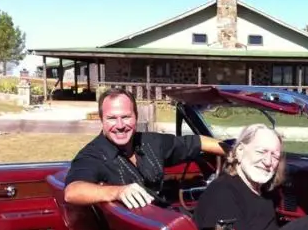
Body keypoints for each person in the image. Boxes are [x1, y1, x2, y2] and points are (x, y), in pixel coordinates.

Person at [64, 88, 227, 209]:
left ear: (136, 117)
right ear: (102, 120)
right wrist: (118, 192)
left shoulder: (151, 142)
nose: (120, 125)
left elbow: (198, 142)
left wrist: (234, 152)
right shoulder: (94, 155)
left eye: (126, 117)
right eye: (112, 118)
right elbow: (72, 191)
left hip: (164, 217)